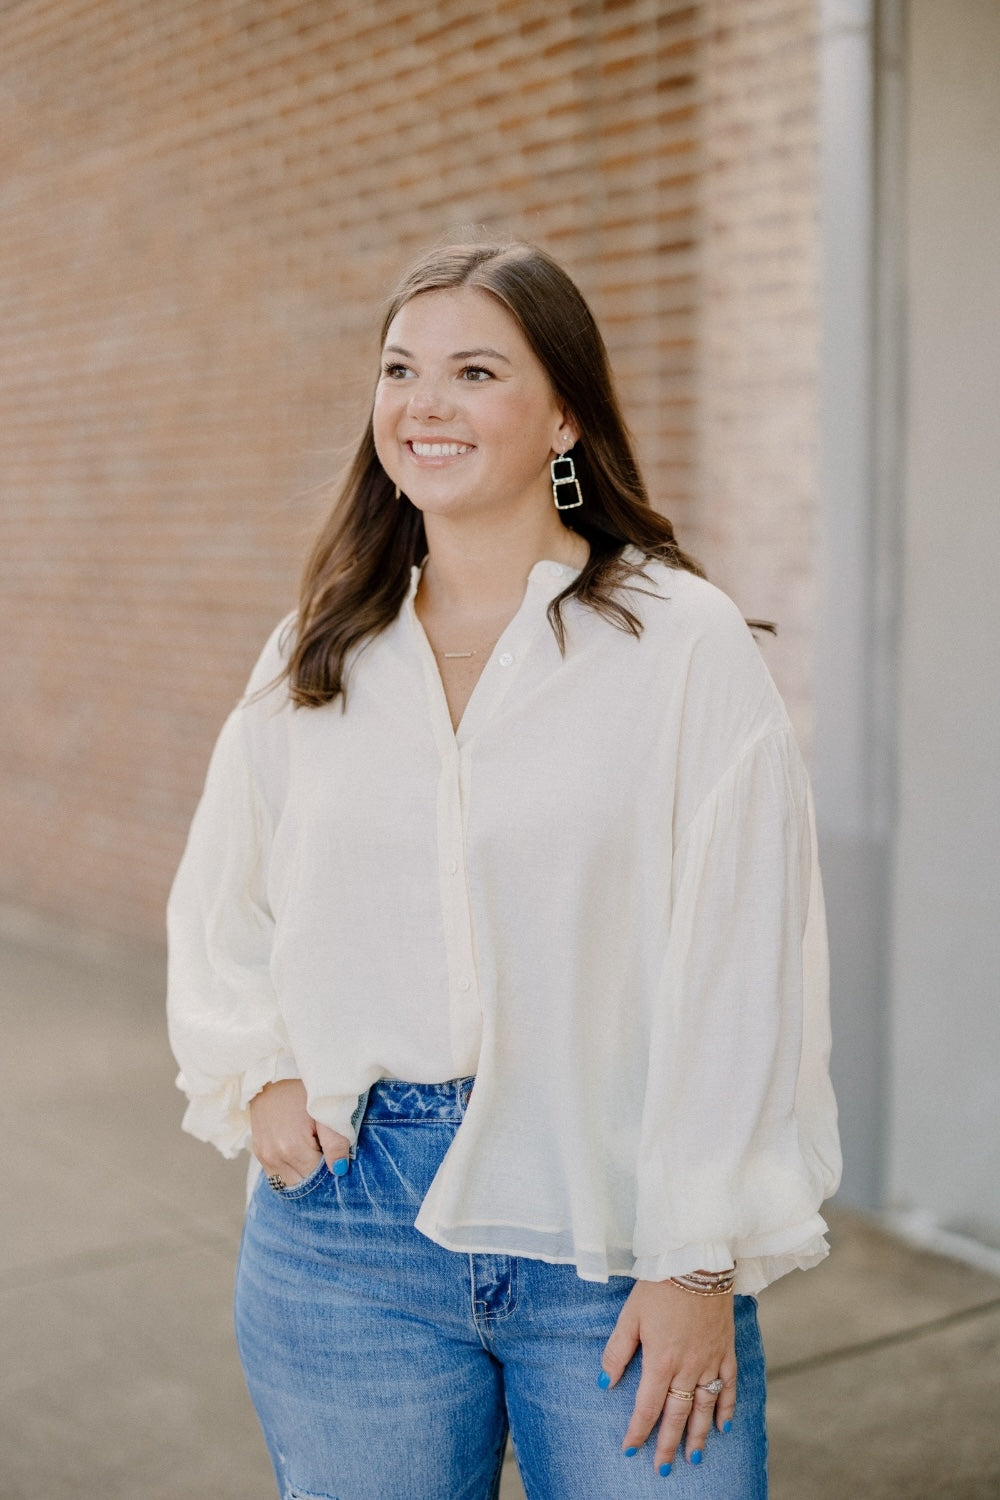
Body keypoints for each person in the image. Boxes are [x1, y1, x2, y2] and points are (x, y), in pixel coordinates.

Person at [166, 240, 841, 1500]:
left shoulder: (676, 641)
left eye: (475, 371)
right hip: (347, 1228)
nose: (425, 403)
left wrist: (696, 1259)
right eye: (401, 369)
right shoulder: (322, 649)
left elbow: (744, 963)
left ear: (564, 413)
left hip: (613, 1220)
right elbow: (225, 896)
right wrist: (259, 1069)